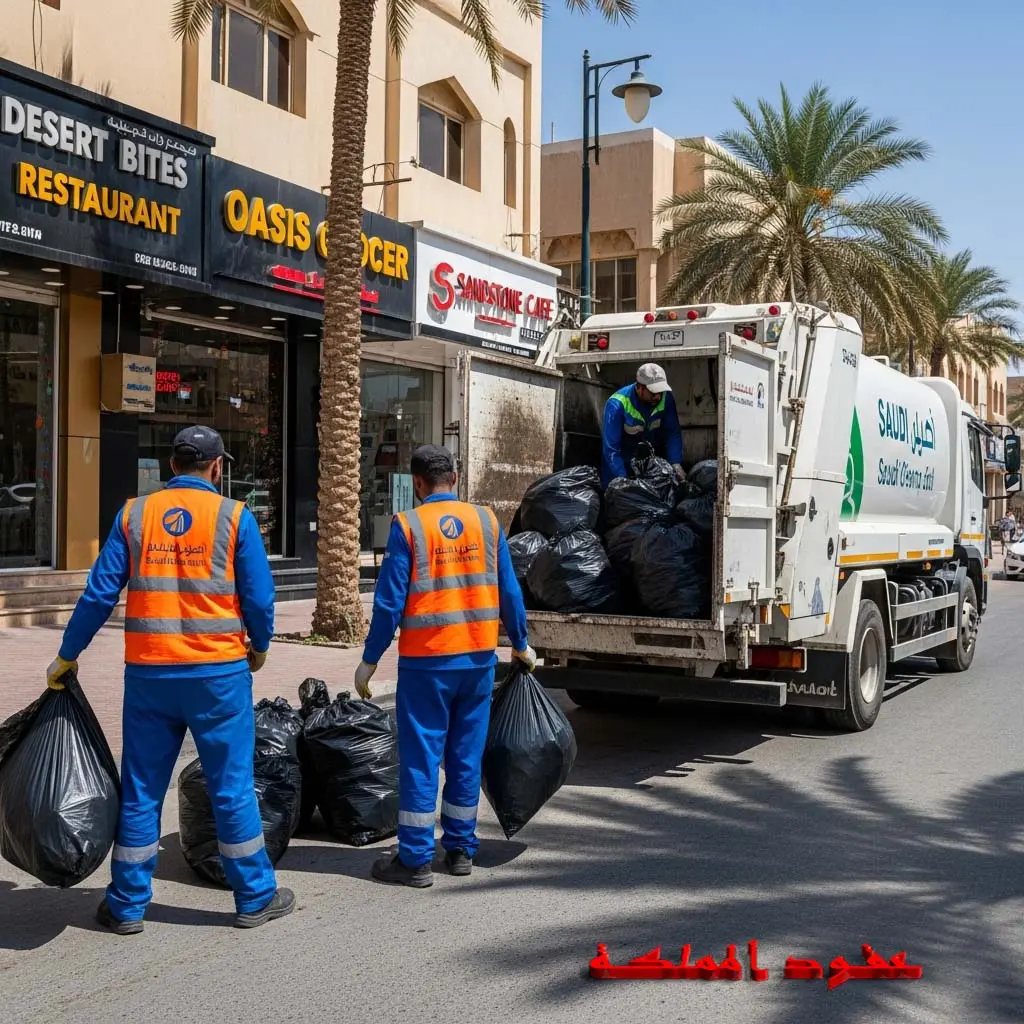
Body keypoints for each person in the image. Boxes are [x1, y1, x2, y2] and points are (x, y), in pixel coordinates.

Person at [45, 426, 293, 934]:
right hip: (218, 676)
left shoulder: (134, 515)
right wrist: (260, 646)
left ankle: (127, 904)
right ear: (217, 468)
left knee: (141, 789)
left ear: (171, 466)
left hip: (150, 674)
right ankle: (254, 897)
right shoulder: (234, 516)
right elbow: (260, 600)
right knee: (231, 788)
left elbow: (98, 594)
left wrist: (67, 655)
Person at [354, 444, 536, 888]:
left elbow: (389, 601)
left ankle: (415, 859)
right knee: (464, 757)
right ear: (455, 477)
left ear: (417, 484)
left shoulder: (409, 525)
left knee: (421, 758)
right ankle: (459, 850)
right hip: (477, 662)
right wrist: (522, 643)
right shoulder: (487, 522)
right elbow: (509, 591)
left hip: (426, 663)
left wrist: (369, 660)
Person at [601, 363, 684, 487]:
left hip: (649, 464)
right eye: (653, 392)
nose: (658, 396)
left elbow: (672, 432)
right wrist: (624, 480)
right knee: (620, 499)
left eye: (660, 391)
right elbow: (611, 450)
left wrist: (676, 463)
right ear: (640, 388)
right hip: (619, 464)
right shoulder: (617, 404)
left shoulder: (666, 398)